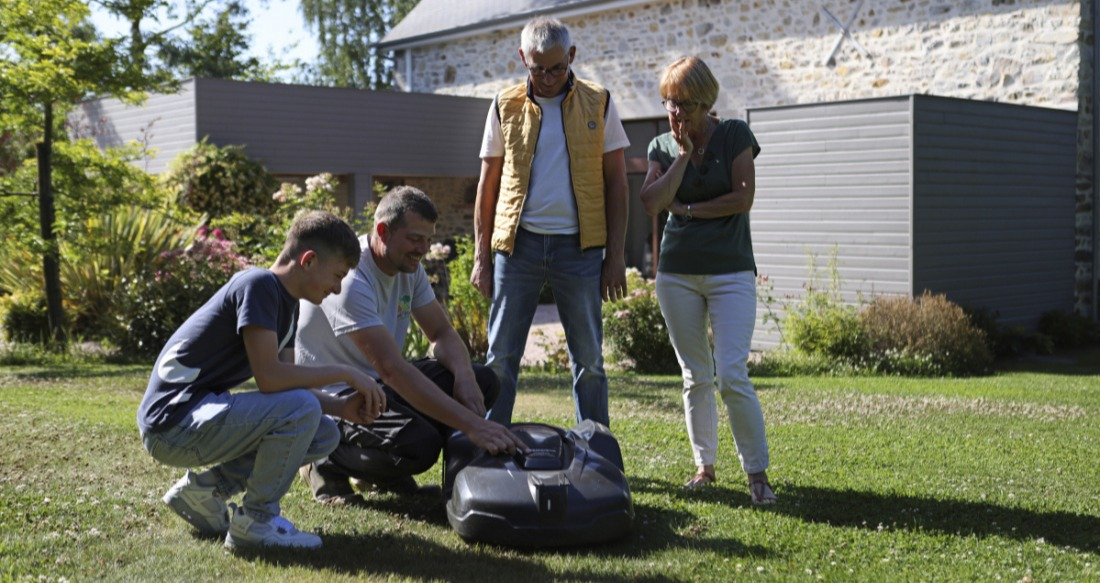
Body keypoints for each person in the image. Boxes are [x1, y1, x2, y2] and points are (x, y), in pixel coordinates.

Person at [137, 210, 388, 550]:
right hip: (171, 423)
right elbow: (270, 378)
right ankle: (256, 521)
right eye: (337, 275)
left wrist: (341, 407)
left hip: (190, 420)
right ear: (309, 260)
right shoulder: (258, 285)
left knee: (323, 431)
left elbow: (287, 385)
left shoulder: (288, 305)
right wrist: (346, 372)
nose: (337, 287)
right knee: (301, 409)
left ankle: (203, 491)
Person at [296, 187, 527, 504]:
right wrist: (473, 425)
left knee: (483, 380)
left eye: (428, 240)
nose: (424, 249)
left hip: (374, 385)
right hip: (333, 400)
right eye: (415, 239)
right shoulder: (350, 279)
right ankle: (322, 458)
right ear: (383, 231)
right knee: (420, 445)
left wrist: (463, 375)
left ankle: (387, 469)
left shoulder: (409, 268)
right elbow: (392, 370)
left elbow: (441, 333)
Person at [471, 16, 630, 427]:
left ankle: (595, 447)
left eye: (556, 68)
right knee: (501, 357)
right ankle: (492, 443)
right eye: (537, 68)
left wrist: (615, 257)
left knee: (590, 359)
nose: (546, 77)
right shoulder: (503, 105)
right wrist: (481, 257)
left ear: (572, 56)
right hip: (517, 246)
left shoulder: (601, 101)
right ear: (523, 58)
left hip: (579, 248)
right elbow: (487, 186)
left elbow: (617, 183)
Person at [638, 56, 777, 505]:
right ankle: (705, 467)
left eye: (682, 104)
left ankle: (756, 473)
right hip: (676, 274)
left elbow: (743, 198)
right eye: (668, 102)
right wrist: (681, 156)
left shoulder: (735, 134)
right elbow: (652, 202)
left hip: (731, 270)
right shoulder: (662, 145)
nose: (673, 112)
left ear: (705, 102)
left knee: (731, 373)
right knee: (694, 374)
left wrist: (692, 210)